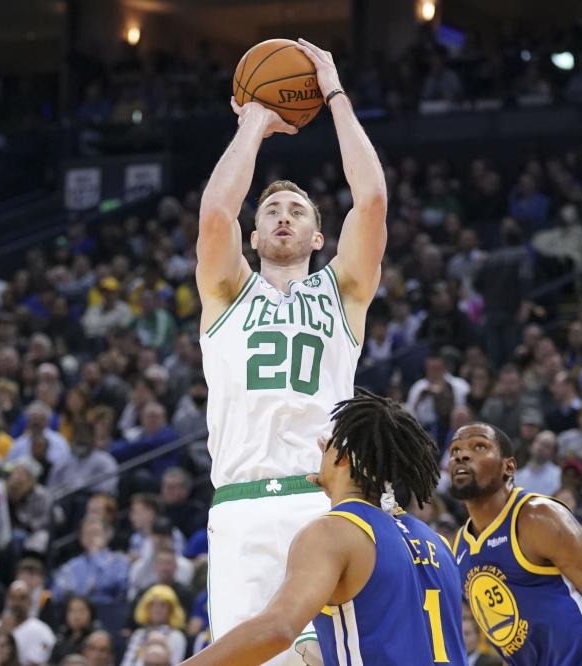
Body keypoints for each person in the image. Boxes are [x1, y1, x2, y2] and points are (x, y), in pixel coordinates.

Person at [194, 39, 387, 666]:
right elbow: (215, 215)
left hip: (323, 501)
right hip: (241, 508)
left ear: (317, 234)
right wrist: (254, 118)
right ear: (254, 234)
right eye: (271, 209)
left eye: (296, 210)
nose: (282, 216)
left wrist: (333, 93)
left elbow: (374, 200)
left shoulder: (343, 292)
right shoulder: (226, 293)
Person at [182, 390, 467, 665]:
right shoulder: (438, 542)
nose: (320, 447)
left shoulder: (334, 532)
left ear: (343, 456)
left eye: (328, 443)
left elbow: (278, 629)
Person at [447, 422, 582, 663]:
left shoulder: (537, 518)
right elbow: (515, 645)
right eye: (455, 450)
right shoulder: (460, 549)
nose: (461, 455)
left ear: (509, 467)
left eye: (479, 446)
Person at [0, 581, 55, 666]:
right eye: (12, 597)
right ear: (6, 600)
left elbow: (36, 663)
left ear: (30, 602)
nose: (16, 603)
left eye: (22, 598)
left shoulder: (41, 630)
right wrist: (1, 629)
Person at [121, 585, 188, 666]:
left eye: (163, 605)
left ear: (171, 610)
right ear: (146, 607)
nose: (157, 609)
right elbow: (126, 662)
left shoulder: (177, 636)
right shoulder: (138, 634)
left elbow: (176, 664)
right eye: (152, 604)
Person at [514, 430, 561, 496]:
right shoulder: (517, 475)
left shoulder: (559, 476)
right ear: (531, 445)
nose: (541, 448)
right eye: (539, 443)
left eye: (547, 446)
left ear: (553, 453)